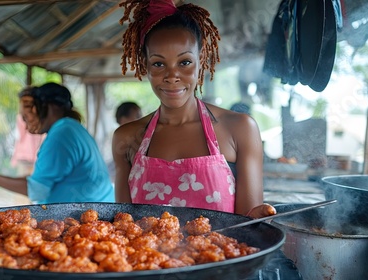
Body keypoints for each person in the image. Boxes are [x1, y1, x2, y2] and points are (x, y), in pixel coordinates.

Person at [112, 0, 275, 218]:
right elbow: (124, 227)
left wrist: (260, 215)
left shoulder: (240, 129)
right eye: (159, 64)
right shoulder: (127, 137)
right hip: (145, 253)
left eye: (185, 62)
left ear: (201, 61)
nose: (172, 76)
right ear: (145, 66)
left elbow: (248, 229)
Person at [0, 83, 115, 204]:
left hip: (88, 218)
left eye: (27, 117)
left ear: (49, 108)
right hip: (97, 207)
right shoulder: (71, 128)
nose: (27, 125)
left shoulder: (61, 135)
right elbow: (45, 178)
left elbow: (36, 191)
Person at [10, 110, 44, 176]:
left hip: (24, 154)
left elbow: (20, 136)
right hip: (34, 156)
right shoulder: (42, 117)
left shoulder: (22, 117)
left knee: (22, 181)